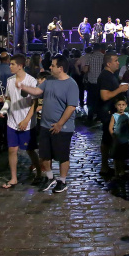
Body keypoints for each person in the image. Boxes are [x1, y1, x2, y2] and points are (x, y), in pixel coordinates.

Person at [21, 55, 79, 194]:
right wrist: (23, 87)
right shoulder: (49, 80)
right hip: (45, 125)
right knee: (44, 154)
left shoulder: (71, 84)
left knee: (62, 156)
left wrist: (60, 124)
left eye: (52, 65)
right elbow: (37, 91)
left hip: (63, 128)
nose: (50, 67)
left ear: (61, 68)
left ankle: (62, 181)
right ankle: (49, 177)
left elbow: (71, 107)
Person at [0, 54, 39, 189]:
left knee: (30, 150)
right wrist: (4, 110)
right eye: (10, 64)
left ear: (20, 66)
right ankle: (13, 178)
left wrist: (27, 120)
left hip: (27, 122)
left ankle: (39, 172)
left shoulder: (31, 81)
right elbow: (8, 98)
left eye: (12, 64)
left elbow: (34, 103)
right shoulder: (10, 81)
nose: (10, 66)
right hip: (12, 121)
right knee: (12, 149)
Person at [98, 51, 129, 175]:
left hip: (111, 111)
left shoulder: (111, 75)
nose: (118, 63)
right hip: (108, 113)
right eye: (116, 60)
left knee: (108, 139)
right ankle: (115, 168)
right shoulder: (105, 76)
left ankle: (112, 166)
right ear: (108, 63)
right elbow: (105, 96)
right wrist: (120, 90)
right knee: (111, 139)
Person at [81, 43, 105, 123]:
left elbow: (85, 70)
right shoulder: (103, 57)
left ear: (93, 49)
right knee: (99, 99)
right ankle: (99, 116)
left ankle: (90, 116)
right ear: (100, 48)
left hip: (91, 81)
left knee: (91, 100)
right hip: (100, 82)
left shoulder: (90, 57)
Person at [109, 97, 129, 177]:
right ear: (116, 106)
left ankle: (122, 171)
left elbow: (128, 125)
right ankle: (116, 171)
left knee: (123, 156)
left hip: (125, 139)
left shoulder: (127, 115)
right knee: (116, 157)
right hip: (117, 140)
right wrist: (113, 135)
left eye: (123, 105)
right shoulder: (114, 116)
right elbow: (110, 127)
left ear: (126, 106)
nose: (121, 107)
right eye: (119, 105)